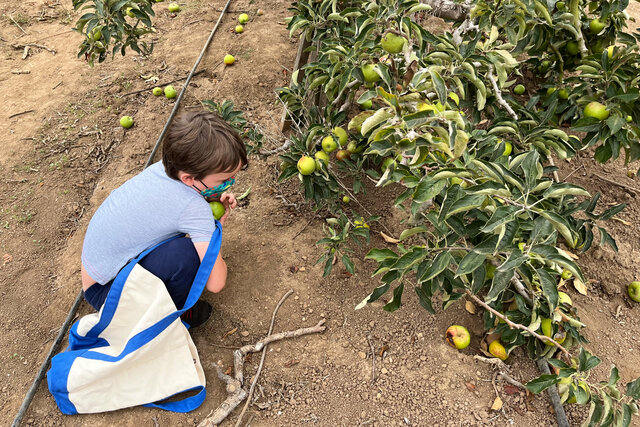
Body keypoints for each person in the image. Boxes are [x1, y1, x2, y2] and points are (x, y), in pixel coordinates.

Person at [80, 111, 248, 328]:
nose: (230, 183)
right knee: (185, 256)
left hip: (99, 273)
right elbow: (216, 283)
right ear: (189, 178)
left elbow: (177, 204)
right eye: (224, 180)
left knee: (180, 247)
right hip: (108, 297)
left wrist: (211, 195)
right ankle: (170, 315)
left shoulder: (162, 170)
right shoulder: (193, 208)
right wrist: (216, 229)